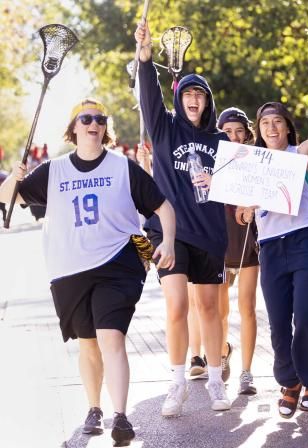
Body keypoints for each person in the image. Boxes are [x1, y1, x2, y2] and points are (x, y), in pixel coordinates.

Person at [0, 98, 176, 445]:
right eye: (86, 118)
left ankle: (121, 417)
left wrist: (167, 241)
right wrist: (14, 180)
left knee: (111, 337)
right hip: (70, 270)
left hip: (118, 263)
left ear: (104, 128)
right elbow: (8, 200)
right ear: (74, 127)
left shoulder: (123, 168)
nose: (94, 123)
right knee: (88, 344)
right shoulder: (54, 171)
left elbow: (163, 205)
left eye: (99, 118)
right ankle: (94, 408)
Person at [238, 69, 308, 418]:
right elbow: (243, 217)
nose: (272, 128)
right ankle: (289, 383)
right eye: (265, 123)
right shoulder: (248, 163)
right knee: (277, 322)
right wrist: (248, 209)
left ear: (287, 127)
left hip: (307, 243)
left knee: (304, 316)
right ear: (258, 130)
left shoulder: (301, 153)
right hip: (271, 248)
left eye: (278, 122)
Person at [135, 21, 230, 414]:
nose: (194, 99)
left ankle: (216, 382)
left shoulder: (221, 141)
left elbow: (241, 187)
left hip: (210, 235)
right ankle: (176, 383)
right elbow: (148, 94)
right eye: (188, 93)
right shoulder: (164, 129)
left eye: (200, 95)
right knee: (176, 305)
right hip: (169, 232)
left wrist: (220, 179)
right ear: (180, 98)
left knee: (209, 309)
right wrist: (144, 55)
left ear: (207, 102)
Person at [216, 107, 260, 394]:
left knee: (247, 309)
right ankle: (221, 353)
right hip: (218, 245)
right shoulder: (210, 163)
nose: (233, 136)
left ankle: (247, 372)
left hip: (248, 243)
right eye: (227, 131)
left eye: (238, 131)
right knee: (220, 312)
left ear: (246, 135)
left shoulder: (257, 163)